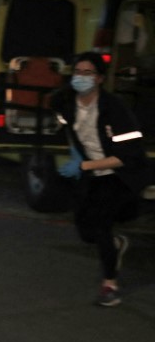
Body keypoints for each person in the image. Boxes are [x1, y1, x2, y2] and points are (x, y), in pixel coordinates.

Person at [53, 51, 149, 307]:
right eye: (77, 72)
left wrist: (83, 164)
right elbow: (68, 130)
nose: (81, 78)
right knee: (85, 231)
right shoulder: (66, 103)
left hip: (118, 174)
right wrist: (76, 155)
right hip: (90, 172)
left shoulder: (115, 109)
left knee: (101, 224)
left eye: (88, 73)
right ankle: (116, 245)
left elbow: (127, 156)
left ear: (99, 79)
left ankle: (110, 285)